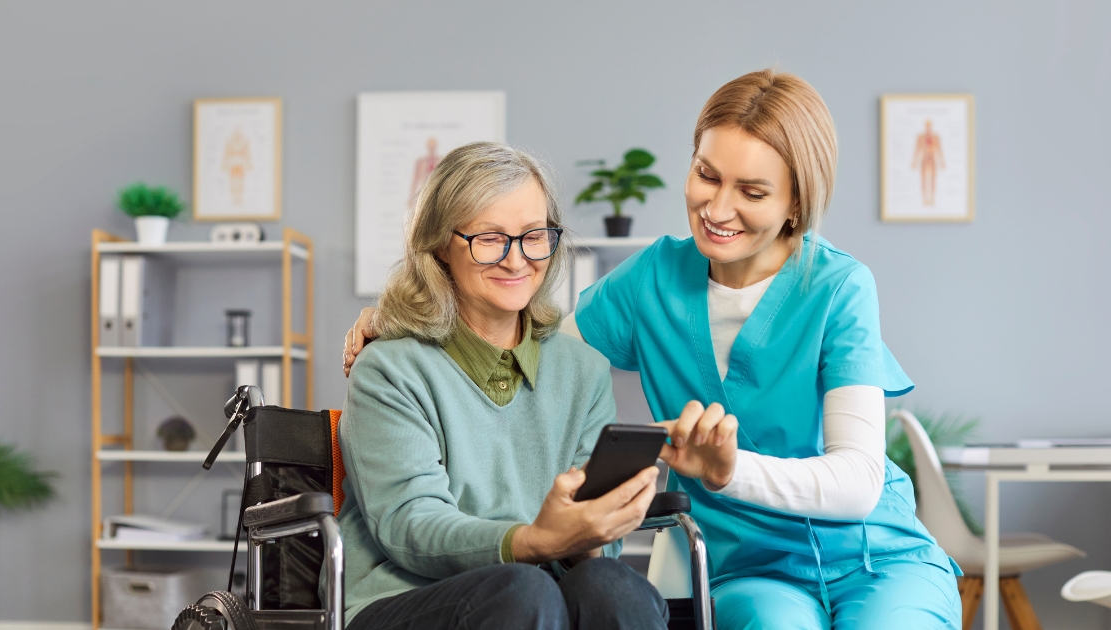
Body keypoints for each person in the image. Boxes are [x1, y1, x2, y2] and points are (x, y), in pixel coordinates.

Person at [345, 70, 963, 629]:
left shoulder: (838, 287)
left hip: (872, 551)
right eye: (707, 174)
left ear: (796, 201)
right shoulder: (649, 282)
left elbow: (857, 480)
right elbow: (511, 340)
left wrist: (726, 471)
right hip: (754, 567)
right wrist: (405, 319)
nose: (718, 208)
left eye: (752, 190)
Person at [334, 141, 669, 630]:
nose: (517, 261)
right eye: (490, 238)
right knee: (523, 589)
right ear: (439, 246)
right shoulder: (389, 368)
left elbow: (596, 550)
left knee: (613, 584)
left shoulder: (584, 371)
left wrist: (598, 525)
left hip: (541, 593)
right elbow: (408, 525)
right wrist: (532, 541)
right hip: (405, 597)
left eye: (534, 235)